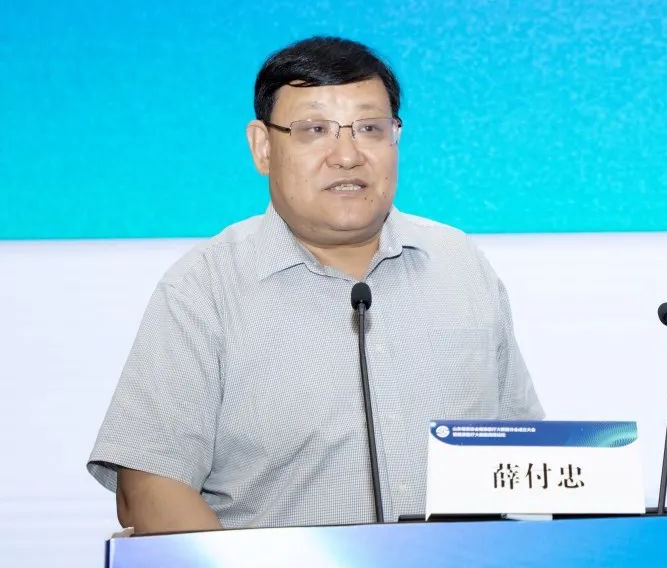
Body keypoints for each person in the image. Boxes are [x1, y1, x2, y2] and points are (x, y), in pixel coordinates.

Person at [87, 36, 544, 533]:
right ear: (263, 147)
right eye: (314, 130)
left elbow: (527, 456)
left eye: (370, 128)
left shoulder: (460, 264)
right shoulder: (205, 288)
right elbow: (149, 487)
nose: (346, 156)